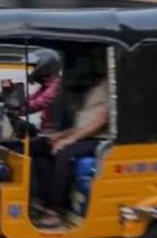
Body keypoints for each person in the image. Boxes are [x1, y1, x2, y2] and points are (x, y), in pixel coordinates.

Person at [34, 62, 109, 228]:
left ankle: (55, 210)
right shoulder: (92, 86)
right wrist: (60, 135)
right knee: (38, 147)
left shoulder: (109, 85)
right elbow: (82, 123)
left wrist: (70, 140)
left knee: (64, 154)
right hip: (82, 136)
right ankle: (44, 199)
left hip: (98, 140)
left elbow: (100, 120)